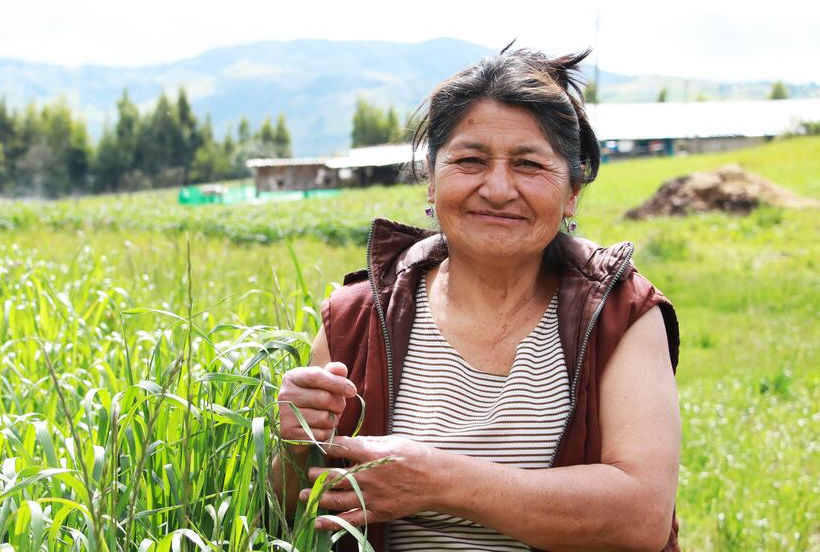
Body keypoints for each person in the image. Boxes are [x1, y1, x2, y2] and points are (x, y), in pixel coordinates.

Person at [272, 48, 681, 552]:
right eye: (471, 160)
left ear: (572, 191)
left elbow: (640, 518)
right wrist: (293, 448)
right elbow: (291, 511)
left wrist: (440, 480)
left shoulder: (619, 312)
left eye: (529, 165)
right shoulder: (357, 316)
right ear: (432, 177)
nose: (498, 188)